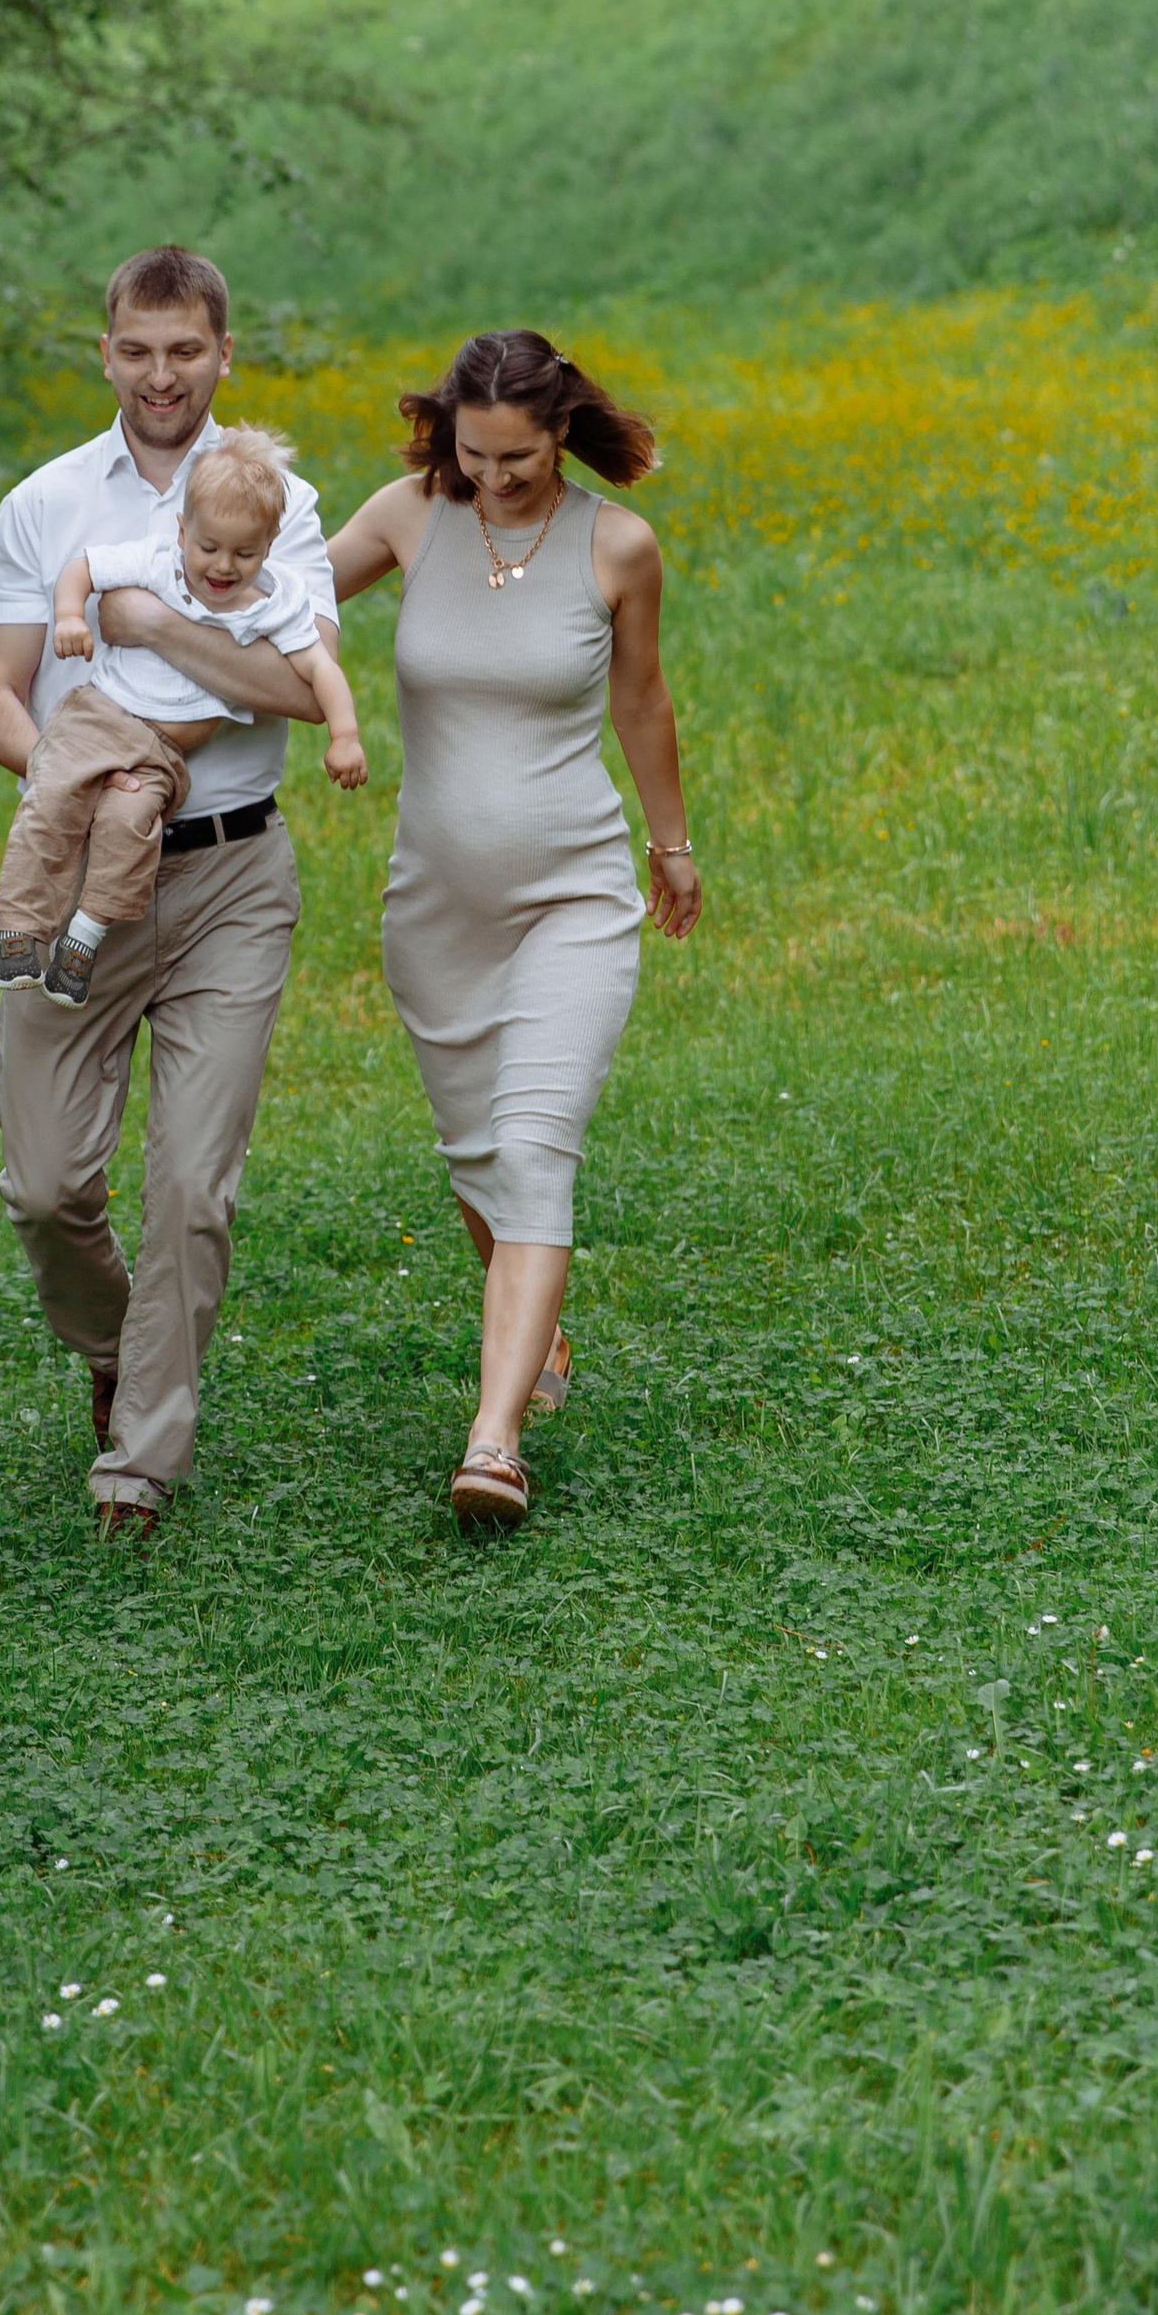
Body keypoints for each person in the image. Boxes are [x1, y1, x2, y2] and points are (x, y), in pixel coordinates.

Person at [0, 249, 344, 1538]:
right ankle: (113, 1351)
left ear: (223, 354)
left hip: (237, 873)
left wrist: (145, 625)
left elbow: (306, 687)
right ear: (105, 352)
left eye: (185, 350)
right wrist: (93, 770)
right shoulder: (44, 505)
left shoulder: (275, 503)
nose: (160, 375)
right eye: (137, 349)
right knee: (45, 1189)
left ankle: (141, 1460)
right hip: (86, 866)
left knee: (191, 1186)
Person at [327, 327, 701, 1529]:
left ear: (560, 435)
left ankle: (493, 1442)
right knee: (477, 1158)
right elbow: (269, 604)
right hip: (434, 904)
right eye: (472, 455)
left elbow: (641, 700)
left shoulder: (617, 545)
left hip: (572, 893)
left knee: (535, 1149)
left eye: (518, 460)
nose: (493, 480)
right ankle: (535, 1333)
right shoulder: (401, 516)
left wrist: (672, 843)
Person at [0, 425, 366, 1007]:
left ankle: (82, 943)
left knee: (128, 830)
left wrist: (345, 735)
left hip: (163, 756)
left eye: (245, 553)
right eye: (209, 547)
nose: (223, 567)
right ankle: (19, 930)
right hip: (100, 720)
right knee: (55, 800)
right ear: (183, 531)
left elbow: (320, 671)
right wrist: (69, 615)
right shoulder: (158, 563)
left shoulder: (275, 601)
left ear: (269, 546)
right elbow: (83, 568)